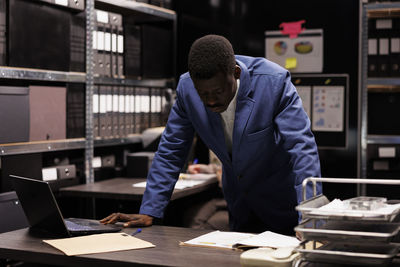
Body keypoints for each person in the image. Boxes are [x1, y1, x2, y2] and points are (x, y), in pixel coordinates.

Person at [100, 34, 322, 235]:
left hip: (283, 205)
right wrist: (150, 209)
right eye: (202, 93)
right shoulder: (187, 89)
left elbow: (302, 150)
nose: (210, 101)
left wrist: (309, 215)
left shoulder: (273, 83)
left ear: (235, 73)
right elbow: (171, 150)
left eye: (217, 91)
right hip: (239, 206)